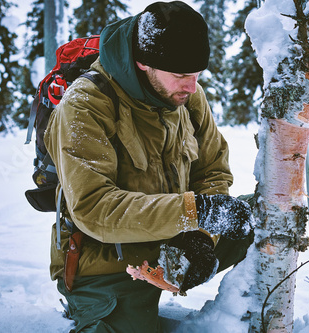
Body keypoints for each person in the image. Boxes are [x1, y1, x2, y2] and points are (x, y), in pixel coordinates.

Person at [44, 1, 255, 332]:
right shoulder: (85, 106)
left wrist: (201, 238)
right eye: (181, 75)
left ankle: (250, 316)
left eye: (197, 74)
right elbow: (93, 207)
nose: (191, 85)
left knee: (271, 214)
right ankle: (93, 309)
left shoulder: (188, 96)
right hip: (106, 265)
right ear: (144, 63)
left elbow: (212, 172)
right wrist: (196, 212)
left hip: (175, 244)